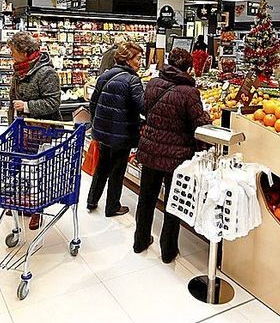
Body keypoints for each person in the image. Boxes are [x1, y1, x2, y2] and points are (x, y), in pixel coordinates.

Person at [133, 48, 211, 263]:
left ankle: (140, 241)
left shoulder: (153, 83)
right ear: (188, 67)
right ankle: (168, 251)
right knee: (172, 202)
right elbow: (199, 125)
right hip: (176, 157)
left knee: (146, 199)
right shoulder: (189, 93)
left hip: (150, 151)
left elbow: (146, 110)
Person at [6, 32, 61, 230]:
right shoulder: (19, 69)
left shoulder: (46, 73)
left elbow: (54, 102)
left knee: (39, 170)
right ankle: (22, 200)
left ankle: (38, 207)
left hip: (44, 131)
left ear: (25, 51)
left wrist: (27, 106)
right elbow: (13, 99)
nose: (10, 54)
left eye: (13, 51)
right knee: (22, 167)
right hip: (22, 128)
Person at [87, 41, 145, 217]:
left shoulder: (106, 75)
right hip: (122, 133)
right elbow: (142, 107)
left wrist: (97, 123)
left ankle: (92, 200)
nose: (140, 62)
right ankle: (112, 206)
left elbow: (93, 103)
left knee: (102, 166)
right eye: (138, 58)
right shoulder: (132, 80)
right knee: (117, 170)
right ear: (128, 59)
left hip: (103, 131)